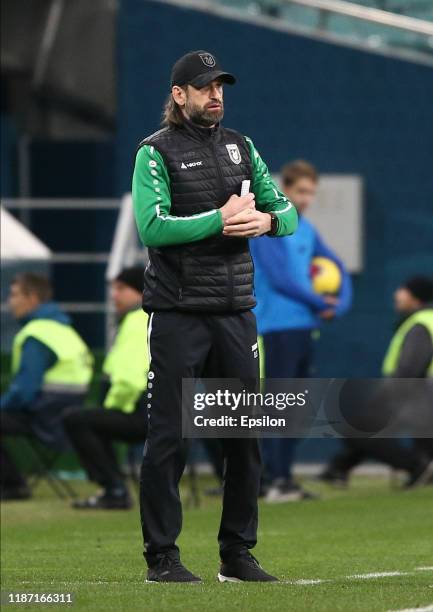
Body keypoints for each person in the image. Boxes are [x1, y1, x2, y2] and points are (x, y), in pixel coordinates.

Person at [132, 50, 298, 583]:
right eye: (204, 88)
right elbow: (153, 228)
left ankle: (237, 554)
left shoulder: (241, 147)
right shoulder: (153, 153)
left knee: (244, 437)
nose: (216, 96)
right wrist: (219, 218)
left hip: (235, 313)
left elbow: (289, 213)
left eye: (220, 87)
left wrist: (267, 222)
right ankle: (162, 558)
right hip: (179, 312)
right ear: (179, 94)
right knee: (169, 440)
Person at [250, 160, 352, 502]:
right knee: (277, 407)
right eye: (301, 191)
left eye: (311, 192)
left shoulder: (305, 228)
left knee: (295, 409)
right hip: (276, 328)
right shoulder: (268, 224)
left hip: (304, 328)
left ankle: (284, 479)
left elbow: (337, 266)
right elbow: (281, 278)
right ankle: (269, 481)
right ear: (286, 188)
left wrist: (340, 304)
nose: (306, 199)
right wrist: (318, 301)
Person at [320, 276, 433, 488]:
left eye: (403, 290)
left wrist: (388, 397)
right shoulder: (427, 320)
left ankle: (417, 466)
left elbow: (410, 368)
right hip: (421, 398)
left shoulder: (420, 324)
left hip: (414, 396)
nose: (397, 294)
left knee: (358, 432)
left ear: (415, 297)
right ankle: (337, 469)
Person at [0, 273, 93, 500]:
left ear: (32, 298)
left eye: (14, 295)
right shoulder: (65, 330)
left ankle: (12, 486)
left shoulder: (36, 334)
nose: (9, 301)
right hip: (68, 415)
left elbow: (24, 391)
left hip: (43, 417)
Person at [64, 267, 149, 510]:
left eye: (121, 289)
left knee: (77, 420)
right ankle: (115, 488)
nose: (114, 295)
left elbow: (131, 378)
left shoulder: (137, 321)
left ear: (141, 293)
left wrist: (112, 408)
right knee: (91, 421)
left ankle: (114, 489)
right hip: (171, 411)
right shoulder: (150, 319)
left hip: (144, 412)